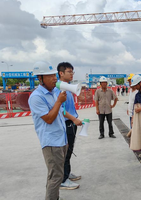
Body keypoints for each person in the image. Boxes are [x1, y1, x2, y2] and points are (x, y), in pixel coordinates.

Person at [28, 61, 80, 200]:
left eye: (53, 75)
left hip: (61, 139)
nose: (54, 78)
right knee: (56, 177)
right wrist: (58, 101)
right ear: (40, 78)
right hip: (51, 142)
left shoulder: (52, 93)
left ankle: (54, 197)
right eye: (49, 76)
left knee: (55, 174)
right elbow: (49, 119)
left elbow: (60, 112)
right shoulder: (36, 97)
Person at [56, 62, 83, 190]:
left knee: (69, 150)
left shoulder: (69, 88)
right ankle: (63, 180)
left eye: (73, 72)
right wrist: (74, 119)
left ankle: (66, 173)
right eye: (69, 72)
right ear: (61, 73)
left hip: (72, 122)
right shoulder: (58, 89)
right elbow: (59, 109)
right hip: (66, 123)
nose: (72, 74)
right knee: (65, 152)